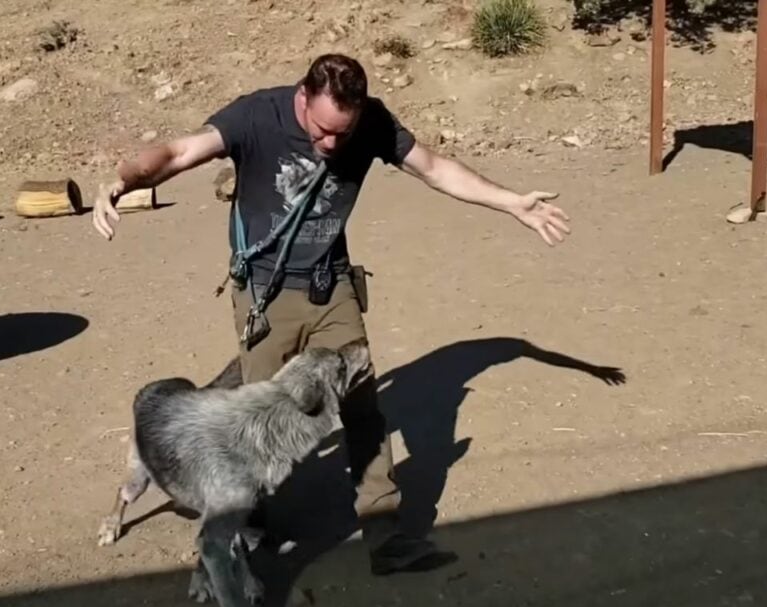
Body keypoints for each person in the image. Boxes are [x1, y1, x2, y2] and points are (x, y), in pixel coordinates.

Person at [91, 53, 571, 575]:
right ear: (302, 97)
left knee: (362, 408)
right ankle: (250, 526)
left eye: (343, 133)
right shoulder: (257, 115)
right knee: (256, 419)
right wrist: (123, 179)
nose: (331, 145)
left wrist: (511, 203)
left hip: (331, 285)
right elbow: (180, 151)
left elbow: (434, 169)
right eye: (321, 131)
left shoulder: (372, 123)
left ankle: (386, 534)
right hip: (265, 295)